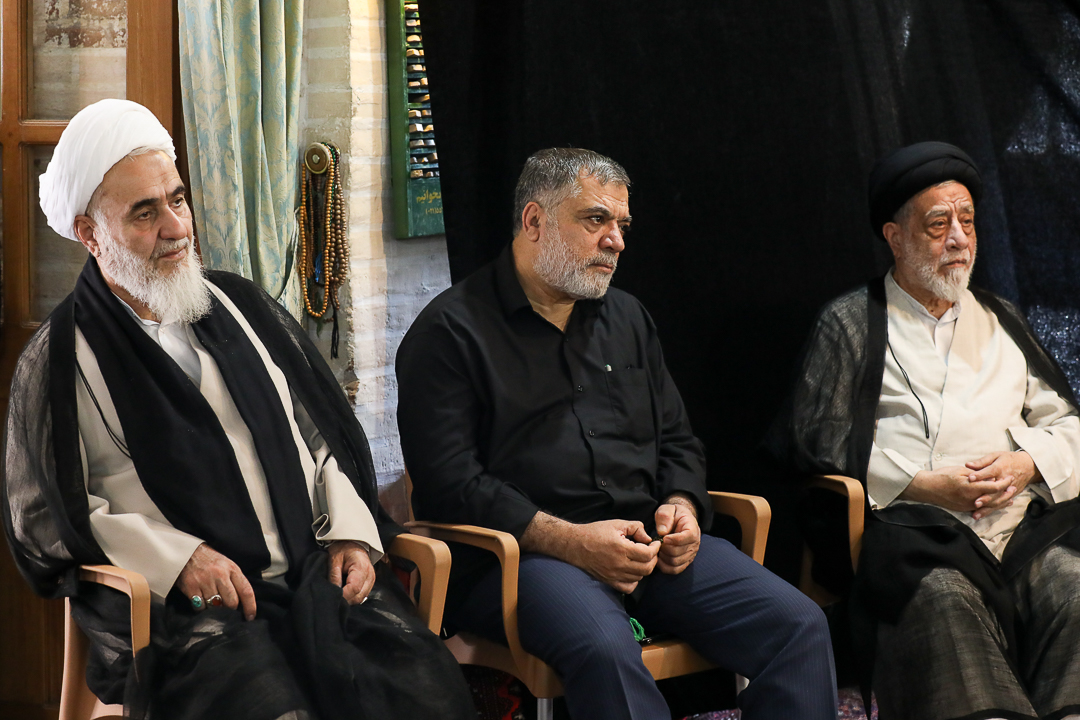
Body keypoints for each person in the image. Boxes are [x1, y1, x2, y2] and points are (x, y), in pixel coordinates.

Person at [2, 99, 474, 720]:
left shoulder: (240, 306)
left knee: (420, 698)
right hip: (192, 609)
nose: (176, 227)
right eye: (145, 212)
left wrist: (351, 535)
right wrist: (177, 560)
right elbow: (50, 516)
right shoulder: (61, 357)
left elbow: (321, 439)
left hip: (311, 576)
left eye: (177, 200)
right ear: (90, 234)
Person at [396, 147, 837, 720]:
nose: (617, 241)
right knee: (605, 650)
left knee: (799, 625)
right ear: (534, 221)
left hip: (646, 546)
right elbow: (449, 484)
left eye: (622, 225)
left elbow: (677, 440)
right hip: (522, 560)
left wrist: (681, 505)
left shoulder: (627, 317)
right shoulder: (449, 332)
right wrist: (573, 542)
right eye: (596, 219)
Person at [769, 141, 1080, 720]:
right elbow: (816, 439)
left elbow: (1067, 423)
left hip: (1018, 523)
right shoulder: (851, 321)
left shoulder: (1001, 316)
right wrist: (923, 484)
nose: (959, 238)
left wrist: (1026, 464)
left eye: (967, 221)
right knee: (941, 597)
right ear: (895, 237)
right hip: (914, 526)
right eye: (938, 225)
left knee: (1074, 583)